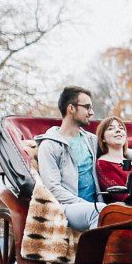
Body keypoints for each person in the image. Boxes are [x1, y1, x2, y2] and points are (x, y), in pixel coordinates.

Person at [37, 86, 101, 231]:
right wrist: (84, 204)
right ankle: (91, 254)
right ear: (71, 108)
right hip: (65, 208)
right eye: (87, 107)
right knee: (100, 212)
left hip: (95, 206)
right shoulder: (49, 145)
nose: (91, 112)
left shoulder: (92, 140)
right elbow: (52, 188)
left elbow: (121, 149)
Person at [95, 114, 132, 202]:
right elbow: (123, 197)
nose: (118, 130)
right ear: (103, 138)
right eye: (111, 128)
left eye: (121, 128)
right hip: (127, 210)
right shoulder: (102, 163)